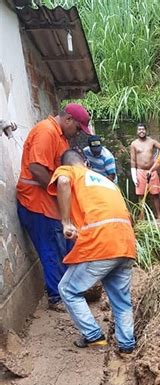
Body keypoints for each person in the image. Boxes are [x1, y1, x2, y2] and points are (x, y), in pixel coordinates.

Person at [48, 149, 136, 353]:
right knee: (121, 300)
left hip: (101, 243)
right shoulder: (106, 181)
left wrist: (66, 223)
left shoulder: (70, 171)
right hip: (125, 243)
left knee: (68, 290)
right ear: (87, 163)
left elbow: (61, 183)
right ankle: (126, 344)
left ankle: (93, 335)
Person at [16, 103, 92, 310]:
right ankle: (56, 297)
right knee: (51, 249)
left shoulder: (60, 137)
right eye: (77, 128)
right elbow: (36, 169)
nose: (77, 134)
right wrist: (60, 192)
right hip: (35, 202)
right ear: (68, 120)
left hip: (48, 202)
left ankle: (69, 291)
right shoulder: (46, 131)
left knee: (63, 247)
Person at [130, 123, 160, 215]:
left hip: (152, 171)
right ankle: (142, 217)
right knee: (141, 195)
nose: (141, 131)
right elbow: (133, 160)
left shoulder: (152, 141)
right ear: (137, 131)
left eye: (143, 129)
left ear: (146, 130)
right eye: (139, 129)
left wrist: (157, 159)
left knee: (155, 194)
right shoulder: (134, 144)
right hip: (140, 171)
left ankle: (159, 216)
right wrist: (134, 176)